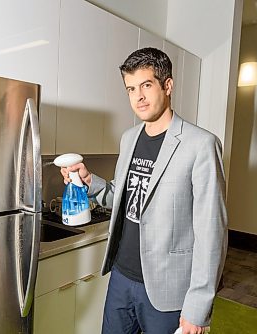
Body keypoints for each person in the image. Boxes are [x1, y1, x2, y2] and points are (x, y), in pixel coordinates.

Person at [60, 47, 228, 334]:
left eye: (146, 85)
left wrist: (198, 307)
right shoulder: (129, 139)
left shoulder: (201, 145)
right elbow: (123, 199)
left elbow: (212, 231)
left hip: (167, 290)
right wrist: (89, 181)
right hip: (121, 277)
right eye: (130, 88)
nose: (138, 96)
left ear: (168, 85)